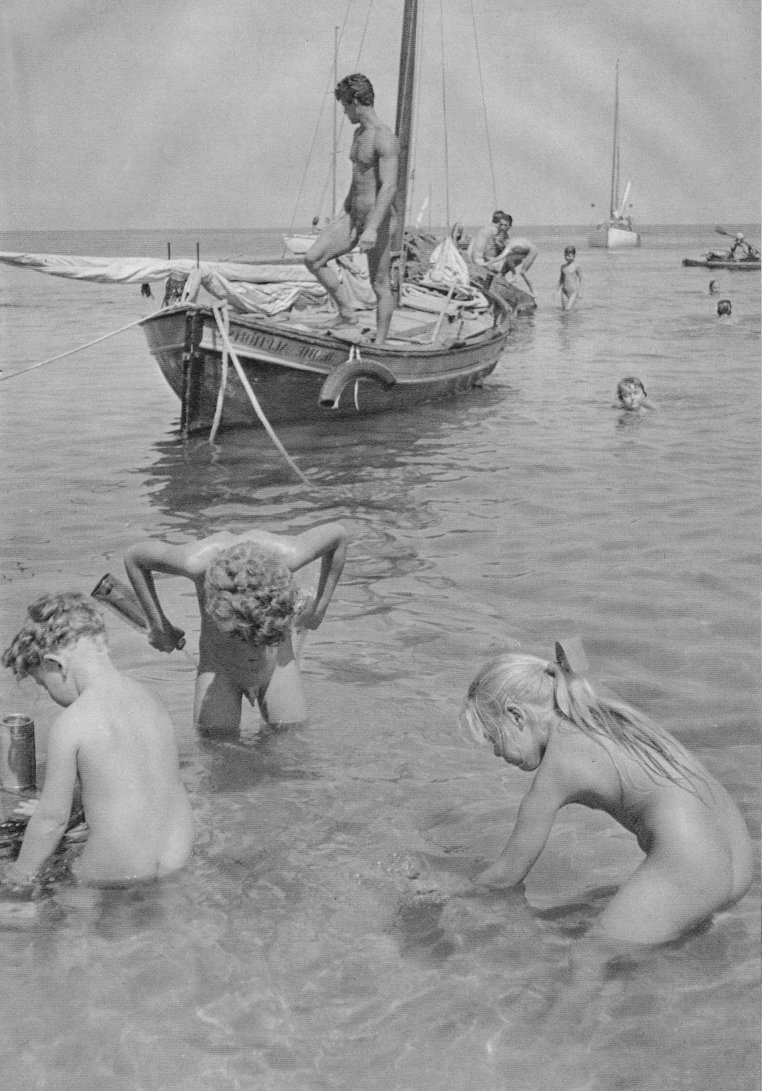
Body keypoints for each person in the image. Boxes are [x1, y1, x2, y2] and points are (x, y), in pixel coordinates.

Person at [461, 640, 754, 945]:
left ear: (516, 716)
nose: (496, 752)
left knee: (589, 955)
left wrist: (450, 900)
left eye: (494, 738)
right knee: (635, 935)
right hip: (737, 855)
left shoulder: (557, 769)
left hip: (694, 863)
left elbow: (507, 874)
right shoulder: (600, 712)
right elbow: (575, 650)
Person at [0, 592, 194, 888]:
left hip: (111, 872)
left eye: (43, 684)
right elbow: (137, 781)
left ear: (56, 665)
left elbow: (51, 822)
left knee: (50, 886)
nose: (49, 694)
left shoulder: (72, 724)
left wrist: (18, 876)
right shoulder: (150, 699)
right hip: (175, 860)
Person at [124, 524, 347, 734]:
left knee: (291, 741)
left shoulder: (286, 556)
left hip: (276, 666)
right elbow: (135, 557)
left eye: (264, 635)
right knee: (216, 746)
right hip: (220, 669)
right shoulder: (197, 562)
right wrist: (158, 625)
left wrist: (318, 609)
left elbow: (338, 536)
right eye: (237, 634)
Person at [304, 73, 399, 344]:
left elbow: (389, 187)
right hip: (354, 216)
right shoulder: (359, 134)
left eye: (345, 106)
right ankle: (347, 312)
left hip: (377, 221)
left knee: (379, 284)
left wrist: (371, 229)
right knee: (313, 259)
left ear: (356, 102)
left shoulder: (384, 137)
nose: (344, 113)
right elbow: (359, 178)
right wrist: (344, 209)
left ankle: (380, 343)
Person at [557, 246, 582, 310]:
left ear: (574, 255)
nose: (567, 257)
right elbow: (561, 279)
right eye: (565, 255)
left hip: (573, 292)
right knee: (564, 310)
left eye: (569, 256)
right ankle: (573, 315)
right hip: (564, 291)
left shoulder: (576, 266)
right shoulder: (563, 267)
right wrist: (556, 290)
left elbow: (581, 279)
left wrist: (580, 292)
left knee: (567, 310)